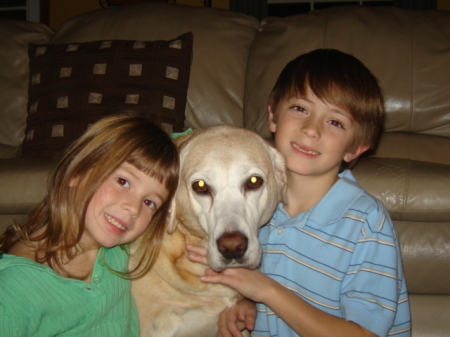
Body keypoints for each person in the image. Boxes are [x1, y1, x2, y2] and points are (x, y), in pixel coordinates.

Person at [187, 49, 411, 337]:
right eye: (300, 109)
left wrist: (266, 291)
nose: (310, 129)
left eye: (335, 122)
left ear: (356, 148)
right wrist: (247, 304)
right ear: (272, 116)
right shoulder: (257, 209)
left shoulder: (366, 222)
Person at [0, 113, 179, 336]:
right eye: (123, 181)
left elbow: (189, 139)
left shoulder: (117, 250)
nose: (134, 208)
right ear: (77, 172)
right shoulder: (14, 290)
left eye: (149, 202)